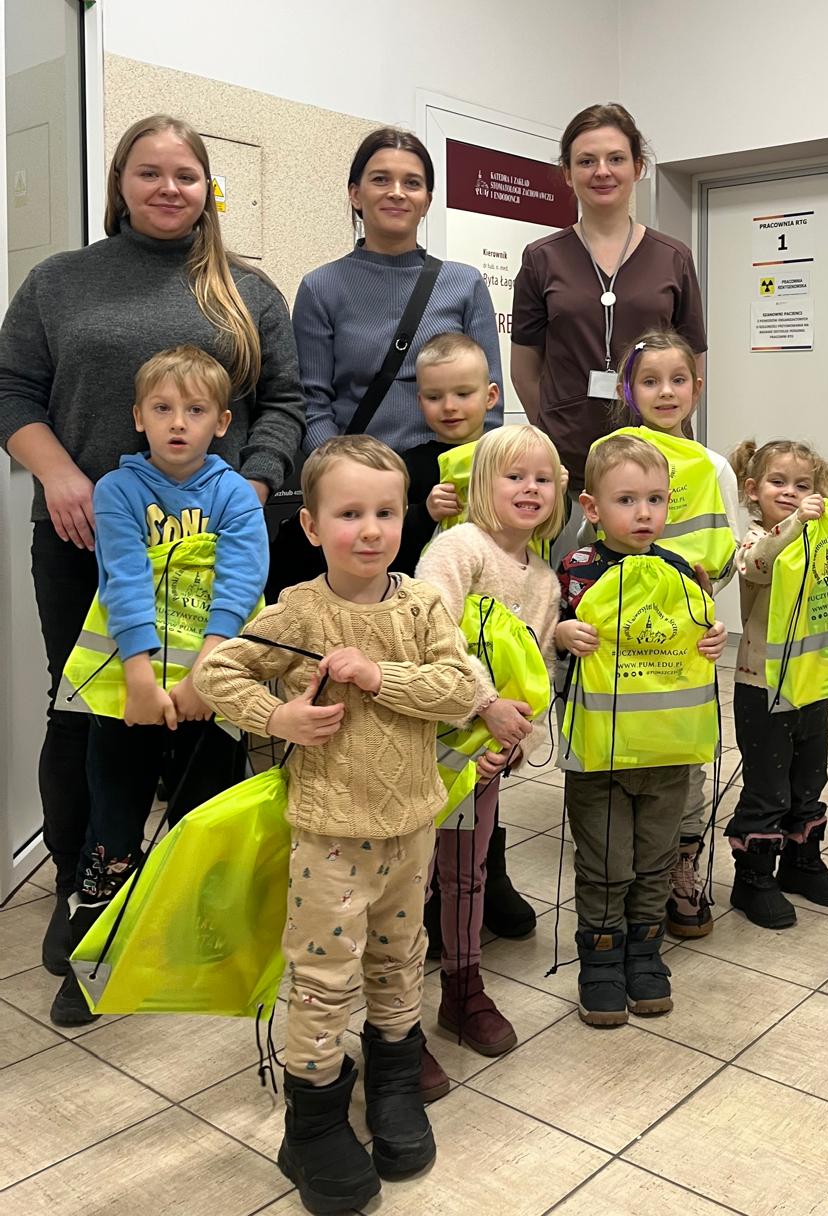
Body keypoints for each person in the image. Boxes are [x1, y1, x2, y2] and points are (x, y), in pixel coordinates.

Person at [0, 114, 302, 981]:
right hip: (84, 534)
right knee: (85, 712)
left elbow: (286, 402)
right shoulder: (60, 281)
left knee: (211, 713)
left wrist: (253, 486)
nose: (168, 187)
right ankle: (82, 892)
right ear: (120, 184)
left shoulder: (246, 290)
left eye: (185, 174)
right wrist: (59, 473)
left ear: (208, 188)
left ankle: (190, 892)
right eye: (148, 172)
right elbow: (11, 390)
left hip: (216, 548)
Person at [193, 435, 478, 1215]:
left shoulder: (422, 606)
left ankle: (393, 1085)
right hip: (328, 836)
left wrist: (380, 676)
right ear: (313, 527)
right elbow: (216, 673)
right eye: (349, 514)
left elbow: (461, 689)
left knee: (399, 960)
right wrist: (278, 715)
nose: (371, 529)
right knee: (323, 979)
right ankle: (312, 1121)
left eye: (386, 512)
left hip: (411, 825)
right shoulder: (298, 611)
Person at [49, 345, 269, 1026]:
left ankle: (191, 941)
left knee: (202, 820)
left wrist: (207, 675)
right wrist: (142, 680)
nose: (178, 422)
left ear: (222, 422)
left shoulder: (235, 496)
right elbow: (123, 580)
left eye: (195, 410)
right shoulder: (118, 491)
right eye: (163, 408)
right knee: (113, 824)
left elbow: (241, 582)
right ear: (138, 416)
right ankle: (96, 954)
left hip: (213, 690)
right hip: (129, 692)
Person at [281, 127, 503, 589]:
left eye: (412, 183)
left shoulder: (464, 284)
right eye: (381, 179)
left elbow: (489, 405)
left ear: (427, 200)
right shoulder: (321, 287)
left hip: (448, 492)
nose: (397, 192)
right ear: (355, 194)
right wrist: (344, 474)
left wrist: (476, 481)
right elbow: (312, 403)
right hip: (361, 495)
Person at [556, 433, 726, 1026]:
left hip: (667, 749)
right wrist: (560, 634)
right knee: (605, 862)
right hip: (599, 752)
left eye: (655, 499)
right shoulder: (577, 571)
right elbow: (542, 637)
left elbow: (697, 635)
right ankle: (600, 959)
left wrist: (713, 638)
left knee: (655, 858)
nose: (644, 512)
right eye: (626, 500)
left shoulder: (680, 570)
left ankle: (645, 951)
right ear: (592, 507)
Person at [414, 425, 565, 1090]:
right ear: (481, 485)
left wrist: (512, 744)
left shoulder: (545, 580)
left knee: (466, 875)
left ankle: (462, 986)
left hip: (485, 761)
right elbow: (430, 634)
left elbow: (539, 671)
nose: (530, 488)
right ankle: (394, 1019)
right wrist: (483, 707)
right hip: (425, 749)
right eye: (514, 476)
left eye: (542, 478)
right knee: (412, 879)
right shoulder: (458, 549)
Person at [605, 329, 740, 939]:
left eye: (677, 380)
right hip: (622, 641)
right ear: (627, 391)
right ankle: (627, 868)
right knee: (627, 748)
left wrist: (710, 591)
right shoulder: (609, 456)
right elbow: (586, 544)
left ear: (697, 388)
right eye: (650, 381)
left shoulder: (713, 467)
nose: (665, 392)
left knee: (686, 753)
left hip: (687, 644)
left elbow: (727, 546)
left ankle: (680, 864)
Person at [510, 103, 706, 494]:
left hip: (658, 461)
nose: (602, 171)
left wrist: (668, 428)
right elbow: (524, 370)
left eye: (616, 159)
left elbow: (694, 362)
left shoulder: (673, 257)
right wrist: (551, 431)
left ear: (637, 168)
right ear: (568, 173)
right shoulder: (541, 258)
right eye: (586, 161)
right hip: (568, 464)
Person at [724, 437, 828, 930]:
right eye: (778, 482)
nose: (790, 492)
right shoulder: (754, 539)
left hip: (809, 681)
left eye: (803, 485)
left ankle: (801, 862)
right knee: (767, 786)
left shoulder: (815, 540)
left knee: (807, 778)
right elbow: (760, 565)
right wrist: (799, 521)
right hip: (761, 685)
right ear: (753, 490)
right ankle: (752, 878)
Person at [397, 331, 500, 576]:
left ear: (490, 396)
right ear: (420, 402)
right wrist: (425, 513)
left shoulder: (509, 456)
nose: (449, 407)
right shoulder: (408, 467)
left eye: (463, 394)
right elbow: (389, 538)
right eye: (434, 397)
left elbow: (545, 531)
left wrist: (554, 493)